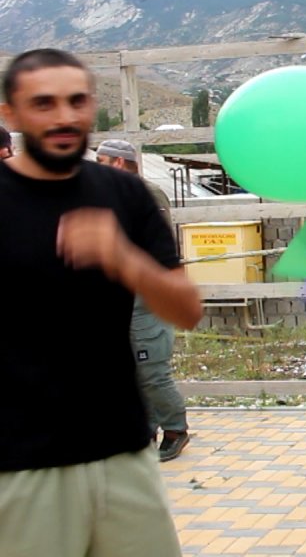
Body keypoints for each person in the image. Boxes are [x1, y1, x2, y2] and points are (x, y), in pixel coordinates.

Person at [0, 48, 202, 557]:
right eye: (43, 103)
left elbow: (187, 311)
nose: (65, 117)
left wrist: (124, 259)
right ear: (10, 113)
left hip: (123, 455)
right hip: (20, 467)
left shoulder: (125, 195)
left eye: (77, 101)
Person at [97, 138, 191, 462]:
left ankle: (176, 428)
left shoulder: (145, 195)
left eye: (102, 162)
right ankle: (146, 428)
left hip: (148, 293)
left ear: (120, 164)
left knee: (151, 366)